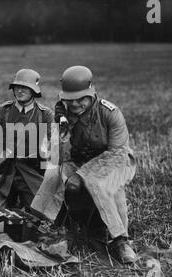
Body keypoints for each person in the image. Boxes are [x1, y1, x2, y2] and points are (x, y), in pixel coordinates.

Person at [31, 66, 137, 264]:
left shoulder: (109, 113)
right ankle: (54, 226)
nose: (75, 104)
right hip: (79, 160)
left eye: (81, 99)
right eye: (70, 100)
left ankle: (121, 239)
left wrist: (83, 174)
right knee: (56, 178)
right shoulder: (64, 115)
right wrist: (61, 131)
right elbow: (60, 157)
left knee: (102, 184)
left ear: (92, 93)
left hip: (115, 160)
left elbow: (117, 153)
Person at [0, 69, 54, 210]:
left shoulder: (44, 115)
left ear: (34, 90)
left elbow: (53, 150)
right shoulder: (3, 111)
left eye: (25, 87)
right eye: (17, 87)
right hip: (3, 173)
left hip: (30, 174)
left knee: (41, 214)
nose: (19, 90)